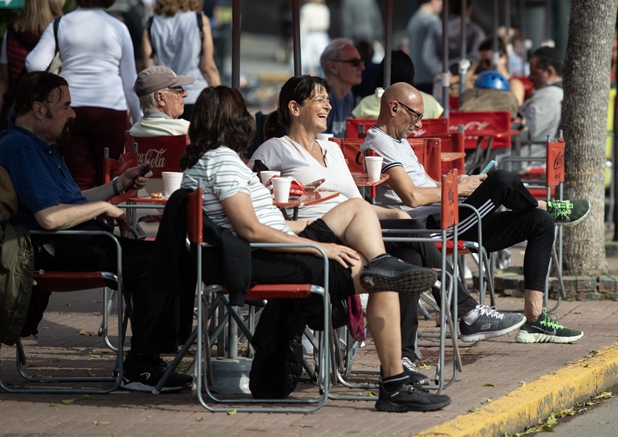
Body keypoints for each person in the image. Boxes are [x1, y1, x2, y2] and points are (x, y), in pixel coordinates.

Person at [180, 85, 451, 412]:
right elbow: (249, 229)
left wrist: (310, 237)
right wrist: (318, 247)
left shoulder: (211, 162)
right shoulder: (222, 162)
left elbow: (265, 225)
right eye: (242, 114)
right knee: (384, 278)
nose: (248, 120)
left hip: (270, 249)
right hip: (262, 259)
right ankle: (394, 385)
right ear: (230, 120)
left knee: (357, 208)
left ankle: (381, 263)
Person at [250, 75, 525, 379]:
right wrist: (300, 193)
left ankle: (403, 361)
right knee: (412, 241)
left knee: (410, 252)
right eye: (319, 99)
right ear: (294, 107)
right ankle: (467, 312)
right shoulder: (273, 151)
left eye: (329, 99)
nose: (329, 105)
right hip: (316, 232)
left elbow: (357, 202)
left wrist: (396, 216)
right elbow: (264, 210)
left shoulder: (332, 150)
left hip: (356, 227)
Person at [0, 71, 192, 393]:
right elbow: (50, 218)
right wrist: (103, 208)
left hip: (73, 241)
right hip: (52, 248)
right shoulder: (22, 149)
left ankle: (151, 357)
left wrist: (116, 186)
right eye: (66, 106)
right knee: (159, 261)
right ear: (39, 110)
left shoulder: (41, 145)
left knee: (168, 254)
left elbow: (72, 201)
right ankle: (141, 366)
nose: (73, 114)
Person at [359, 82, 590, 344]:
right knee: (502, 180)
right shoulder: (378, 143)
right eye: (416, 116)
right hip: (436, 224)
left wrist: (463, 184)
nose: (419, 124)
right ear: (394, 108)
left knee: (540, 223)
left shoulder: (398, 140)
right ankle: (546, 204)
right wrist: (458, 188)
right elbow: (411, 196)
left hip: (450, 214)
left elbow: (427, 184)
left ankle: (535, 320)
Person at [26, 0, 142, 191]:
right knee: (111, 177)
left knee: (80, 176)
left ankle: (83, 218)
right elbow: (130, 82)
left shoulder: (61, 23)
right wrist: (138, 122)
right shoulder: (118, 27)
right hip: (110, 109)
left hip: (71, 108)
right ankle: (107, 218)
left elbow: (34, 64)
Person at [0, 0, 65, 152]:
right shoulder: (58, 30)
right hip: (49, 113)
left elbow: (4, 79)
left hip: (18, 113)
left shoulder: (12, 31)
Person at [143, 0, 221, 120]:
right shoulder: (199, 20)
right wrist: (221, 101)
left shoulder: (151, 23)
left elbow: (148, 70)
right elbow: (208, 68)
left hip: (165, 101)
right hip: (196, 95)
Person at [353, 51, 444, 120]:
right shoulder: (431, 103)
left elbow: (353, 138)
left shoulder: (365, 105)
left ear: (381, 74)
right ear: (411, 75)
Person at [519, 46, 564, 158]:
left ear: (549, 72)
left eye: (534, 73)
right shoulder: (552, 93)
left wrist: (503, 131)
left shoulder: (550, 95)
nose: (529, 77)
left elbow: (529, 130)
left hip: (524, 161)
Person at [422, 0, 485, 77]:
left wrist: (443, 69)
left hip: (443, 78)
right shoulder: (475, 31)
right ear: (468, 9)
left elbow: (428, 57)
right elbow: (477, 55)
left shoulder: (436, 29)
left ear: (448, 9)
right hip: (468, 77)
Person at [129, 66, 194, 136]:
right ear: (160, 98)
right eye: (178, 90)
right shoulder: (186, 130)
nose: (185, 94)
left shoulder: (133, 132)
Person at [320, 38, 365, 138]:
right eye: (355, 62)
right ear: (333, 67)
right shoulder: (320, 99)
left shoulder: (348, 95)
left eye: (361, 61)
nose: (362, 67)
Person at [406, 0, 443, 94]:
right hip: (432, 78)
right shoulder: (432, 21)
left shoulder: (413, 20)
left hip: (416, 77)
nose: (442, 5)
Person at [299, 0, 330, 75]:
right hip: (320, 35)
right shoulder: (324, 8)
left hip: (313, 36)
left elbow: (303, 26)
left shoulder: (306, 8)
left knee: (309, 62)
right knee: (321, 61)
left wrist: (300, 40)